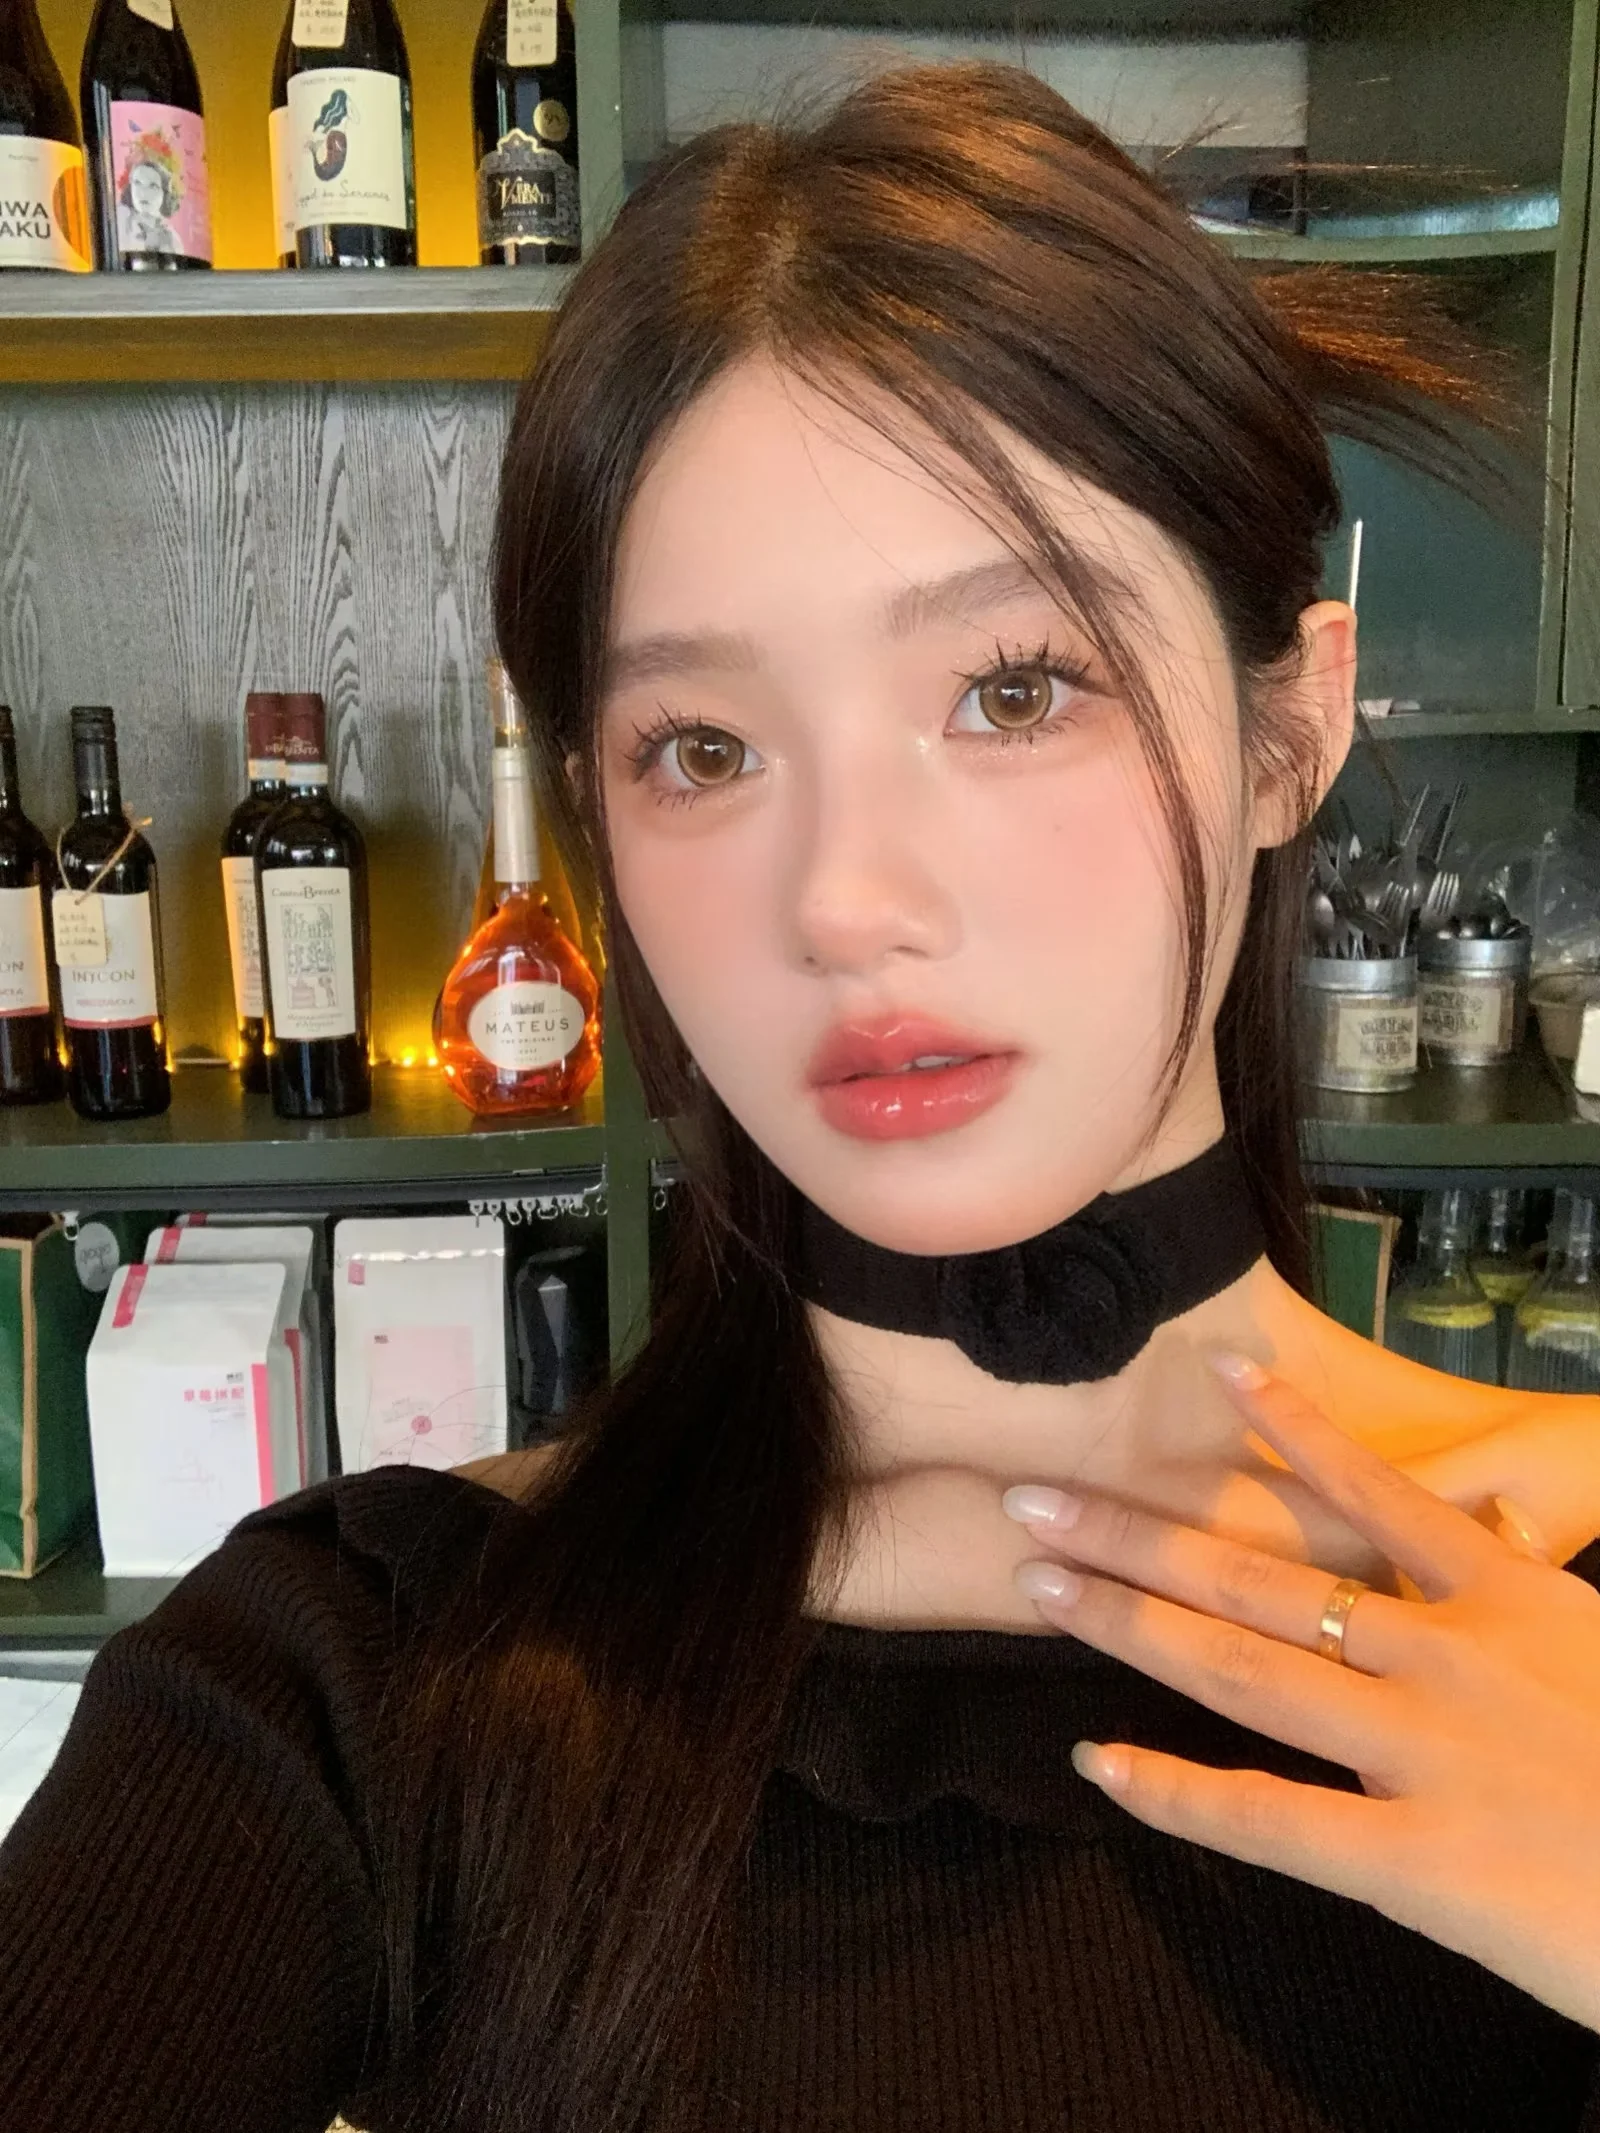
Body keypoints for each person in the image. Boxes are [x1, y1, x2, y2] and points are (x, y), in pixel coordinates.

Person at [6, 59, 1600, 2133]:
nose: (843, 901)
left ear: (1287, 724)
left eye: (1011, 689)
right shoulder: (364, 1675)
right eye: (703, 751)